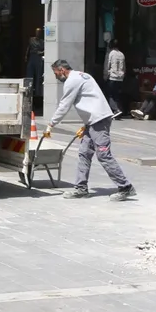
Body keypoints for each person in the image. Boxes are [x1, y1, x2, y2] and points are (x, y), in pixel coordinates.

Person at [46, 59, 136, 200]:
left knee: (103, 155)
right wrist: (87, 123)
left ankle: (125, 187)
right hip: (94, 121)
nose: (56, 76)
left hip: (98, 120)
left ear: (62, 70)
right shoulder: (82, 75)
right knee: (84, 153)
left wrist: (51, 124)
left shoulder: (72, 81)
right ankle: (81, 188)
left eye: (56, 73)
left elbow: (65, 105)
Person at [105, 39, 126, 115]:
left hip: (112, 77)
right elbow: (124, 67)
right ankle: (117, 111)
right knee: (116, 95)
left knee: (110, 95)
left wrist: (106, 76)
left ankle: (116, 109)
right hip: (120, 78)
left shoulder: (111, 53)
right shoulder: (122, 54)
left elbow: (108, 65)